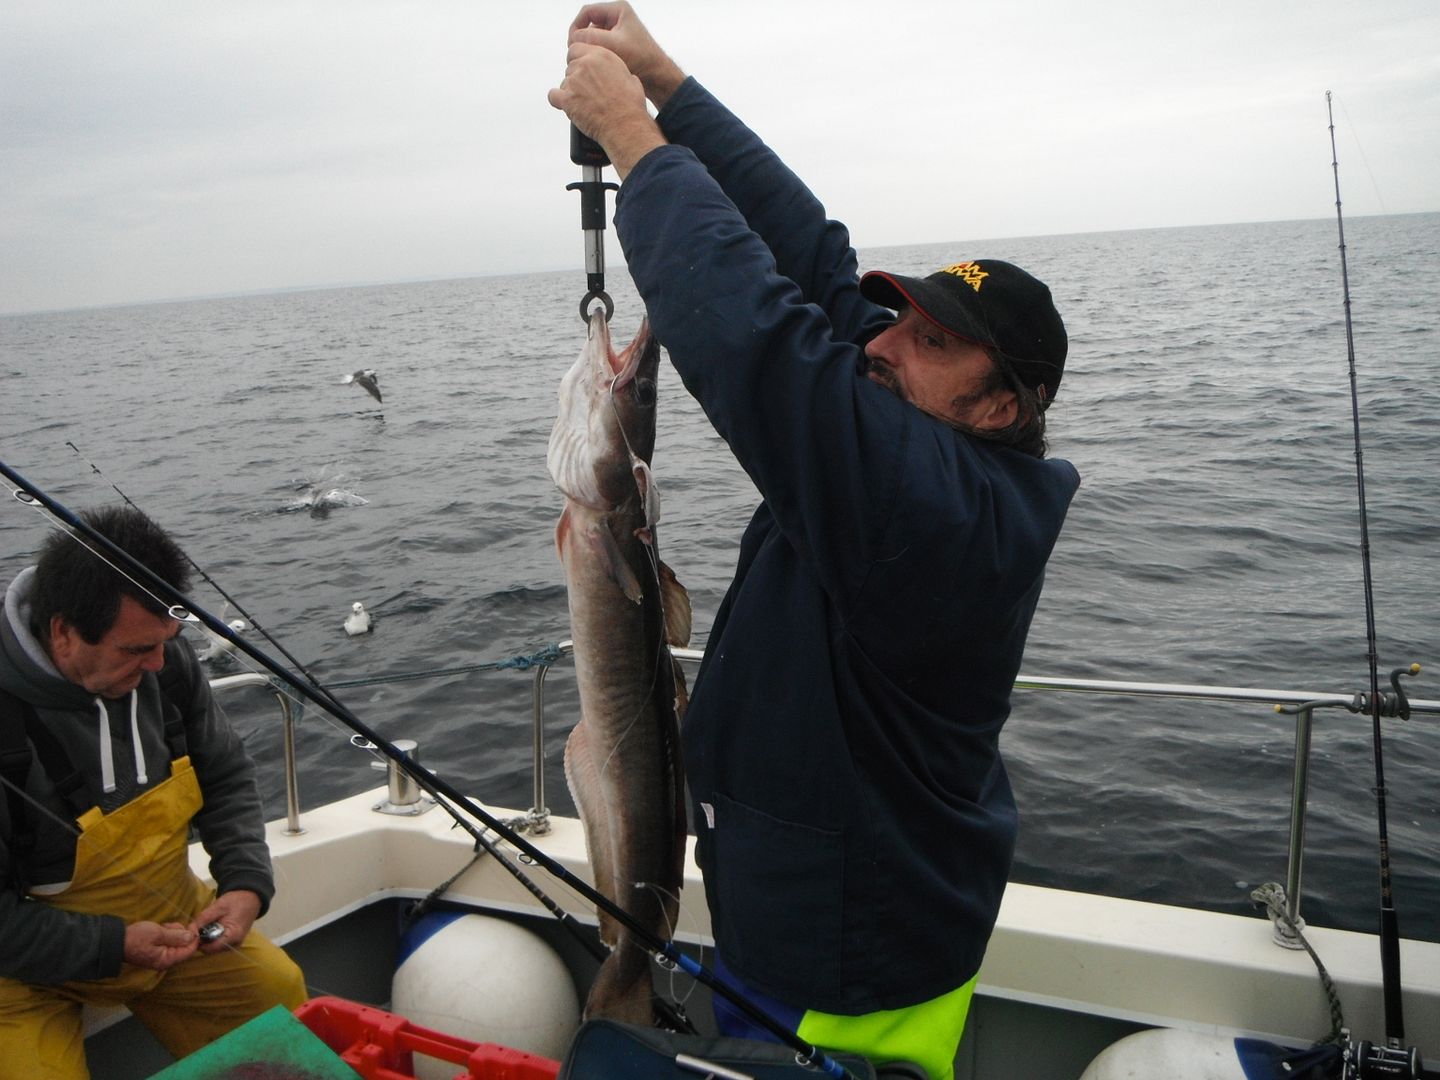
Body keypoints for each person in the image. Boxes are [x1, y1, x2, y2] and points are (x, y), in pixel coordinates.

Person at [548, 6, 1081, 1079]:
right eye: (901, 319)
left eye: (932, 343)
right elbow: (811, 259)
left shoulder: (931, 506)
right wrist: (669, 83)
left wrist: (639, 150)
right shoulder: (916, 427)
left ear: (996, 410)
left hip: (852, 969)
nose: (884, 344)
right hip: (798, 905)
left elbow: (756, 335)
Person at [0, 505, 307, 1078]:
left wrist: (244, 882)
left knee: (278, 990)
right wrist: (112, 945)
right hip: (21, 971)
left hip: (170, 925)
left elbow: (224, 773)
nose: (160, 662)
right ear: (64, 633)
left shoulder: (164, 663)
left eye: (167, 641)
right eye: (136, 651)